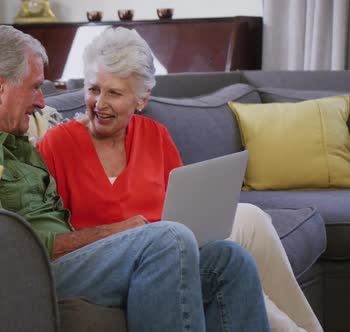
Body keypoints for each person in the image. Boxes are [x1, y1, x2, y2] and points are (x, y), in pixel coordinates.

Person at [0, 25, 270, 331]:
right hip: (31, 273)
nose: (42, 102)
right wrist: (118, 232)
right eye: (35, 88)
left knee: (229, 259)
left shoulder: (15, 141)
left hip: (74, 261)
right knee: (167, 239)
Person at [36, 27, 322, 332]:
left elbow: (182, 211)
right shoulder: (57, 145)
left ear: (141, 99)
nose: (99, 103)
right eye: (94, 89)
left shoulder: (155, 136)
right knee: (194, 235)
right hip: (110, 266)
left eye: (114, 93)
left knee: (232, 257)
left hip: (173, 258)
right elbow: (52, 240)